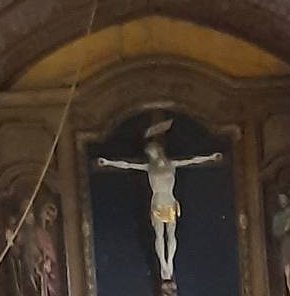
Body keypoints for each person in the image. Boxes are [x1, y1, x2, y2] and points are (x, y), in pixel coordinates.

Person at [95, 119, 225, 284]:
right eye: (149, 154)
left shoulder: (171, 165)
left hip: (169, 200)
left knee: (170, 234)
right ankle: (163, 263)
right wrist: (108, 163)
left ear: (158, 151)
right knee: (159, 234)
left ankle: (169, 262)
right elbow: (127, 165)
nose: (151, 155)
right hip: (157, 201)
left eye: (152, 152)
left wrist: (210, 157)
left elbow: (193, 160)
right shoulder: (149, 167)